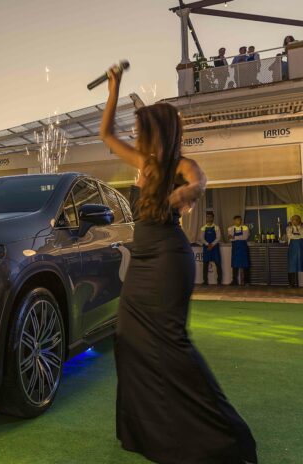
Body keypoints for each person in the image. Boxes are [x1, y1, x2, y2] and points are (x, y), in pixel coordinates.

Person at [100, 68, 257, 463]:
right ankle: (152, 433)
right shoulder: (143, 161)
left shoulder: (180, 165)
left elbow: (200, 180)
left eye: (142, 130)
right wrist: (114, 89)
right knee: (129, 338)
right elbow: (106, 135)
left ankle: (227, 438)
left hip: (169, 261)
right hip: (142, 262)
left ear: (158, 131)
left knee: (171, 345)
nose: (136, 135)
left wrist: (188, 191)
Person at [200, 211, 223, 285]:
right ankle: (205, 281)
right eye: (207, 217)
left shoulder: (216, 227)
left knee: (218, 264)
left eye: (210, 217)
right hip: (206, 248)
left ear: (213, 218)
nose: (209, 218)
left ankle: (219, 281)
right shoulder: (203, 228)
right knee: (205, 265)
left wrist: (212, 245)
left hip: (215, 248)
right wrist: (207, 244)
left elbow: (218, 237)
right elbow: (201, 238)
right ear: (206, 218)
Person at [228, 215, 250, 286]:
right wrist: (237, 237)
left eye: (240, 220)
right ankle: (234, 281)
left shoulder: (245, 228)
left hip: (243, 248)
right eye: (237, 220)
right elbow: (230, 239)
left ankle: (246, 281)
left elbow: (245, 237)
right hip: (235, 249)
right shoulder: (230, 228)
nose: (239, 221)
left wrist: (234, 237)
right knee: (235, 265)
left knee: (245, 265)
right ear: (234, 221)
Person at [287, 215, 302, 288]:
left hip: (301, 248)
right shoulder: (289, 228)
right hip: (292, 249)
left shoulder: (302, 228)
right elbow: (290, 236)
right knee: (291, 266)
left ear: (299, 220)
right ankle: (291, 284)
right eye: (293, 220)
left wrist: (296, 236)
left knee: (301, 263)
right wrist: (299, 236)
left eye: (296, 220)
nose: (294, 221)